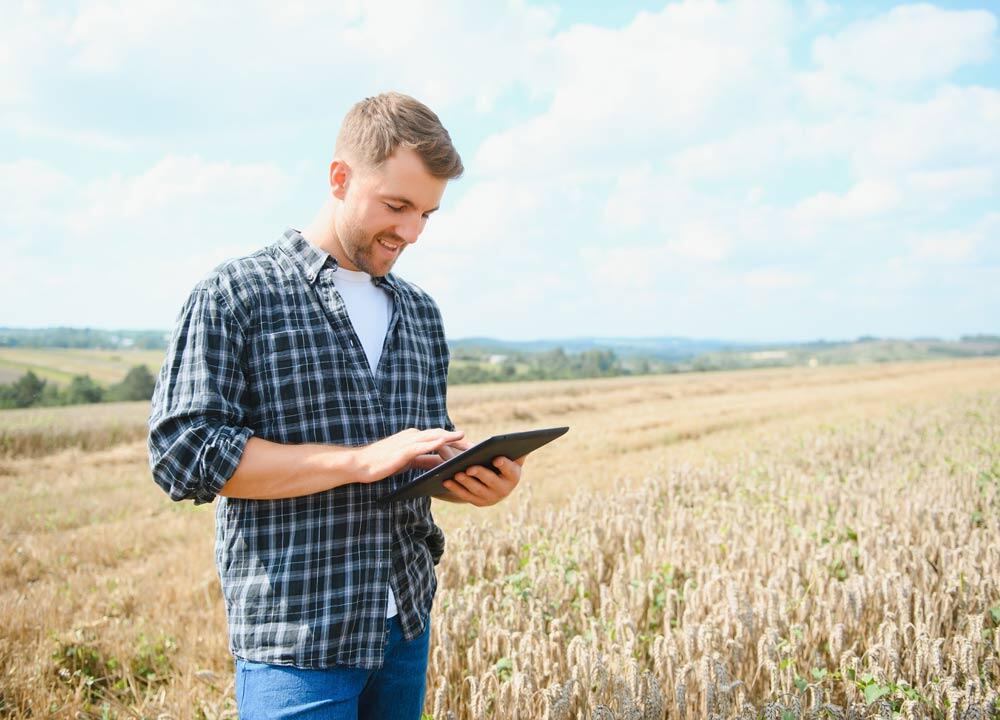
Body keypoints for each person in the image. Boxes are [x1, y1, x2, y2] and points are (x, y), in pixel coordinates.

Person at [147, 92, 524, 719]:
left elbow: (406, 463)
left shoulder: (421, 313)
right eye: (397, 205)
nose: (410, 232)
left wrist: (470, 479)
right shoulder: (236, 294)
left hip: (402, 626)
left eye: (427, 213)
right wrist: (357, 460)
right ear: (339, 178)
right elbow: (183, 455)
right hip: (295, 638)